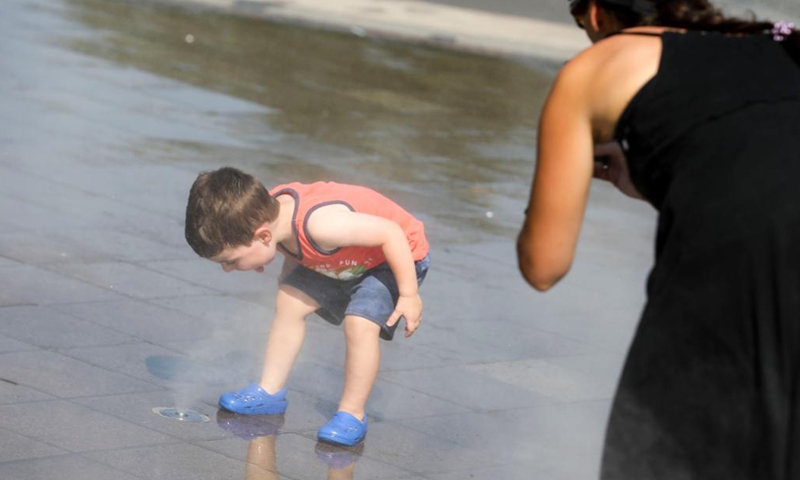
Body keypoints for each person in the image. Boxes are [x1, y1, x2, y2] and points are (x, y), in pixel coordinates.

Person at [516, 0, 800, 478]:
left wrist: (556, 186)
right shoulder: (773, 45)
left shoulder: (600, 64)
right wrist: (654, 182)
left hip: (721, 313)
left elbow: (543, 266)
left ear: (594, 14)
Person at [185, 167, 430, 446]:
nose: (229, 270)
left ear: (264, 236)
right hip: (343, 257)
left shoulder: (322, 225)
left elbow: (391, 233)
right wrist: (286, 277)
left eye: (231, 260)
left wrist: (409, 295)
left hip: (395, 257)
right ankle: (270, 391)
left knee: (360, 324)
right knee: (289, 300)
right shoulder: (270, 216)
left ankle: (351, 414)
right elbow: (295, 246)